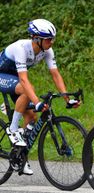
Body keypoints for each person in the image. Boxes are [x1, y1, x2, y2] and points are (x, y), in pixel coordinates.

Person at [0, 19, 80, 175]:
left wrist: (67, 98)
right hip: (2, 75)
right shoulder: (21, 48)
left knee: (31, 118)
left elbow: (56, 75)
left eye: (53, 39)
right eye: (49, 39)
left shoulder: (47, 51)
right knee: (26, 89)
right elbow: (24, 80)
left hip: (14, 79)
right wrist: (36, 102)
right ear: (37, 39)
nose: (52, 42)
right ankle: (13, 129)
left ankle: (19, 157)